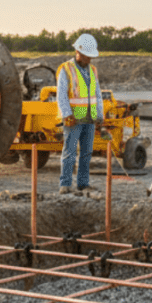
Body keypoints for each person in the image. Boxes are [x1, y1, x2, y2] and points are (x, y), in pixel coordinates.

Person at [56, 33, 105, 194]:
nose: (89, 59)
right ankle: (65, 184)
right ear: (78, 52)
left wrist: (99, 115)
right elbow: (61, 95)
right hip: (74, 119)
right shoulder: (66, 69)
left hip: (89, 119)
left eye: (91, 56)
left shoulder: (93, 70)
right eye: (87, 56)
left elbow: (97, 94)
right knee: (69, 152)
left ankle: (83, 184)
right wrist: (66, 114)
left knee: (86, 153)